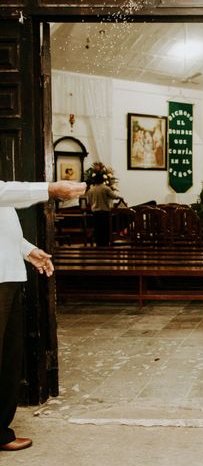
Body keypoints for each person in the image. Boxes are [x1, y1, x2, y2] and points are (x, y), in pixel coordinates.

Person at [0, 179, 85, 452]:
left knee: (10, 359)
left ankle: (0, 431)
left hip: (9, 274)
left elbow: (3, 218)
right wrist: (50, 189)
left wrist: (27, 250)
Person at [86, 173, 123, 247]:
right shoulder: (105, 188)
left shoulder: (91, 190)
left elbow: (89, 202)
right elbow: (114, 196)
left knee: (97, 229)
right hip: (104, 212)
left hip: (95, 212)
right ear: (102, 180)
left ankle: (98, 244)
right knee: (105, 229)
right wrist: (120, 197)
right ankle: (105, 244)